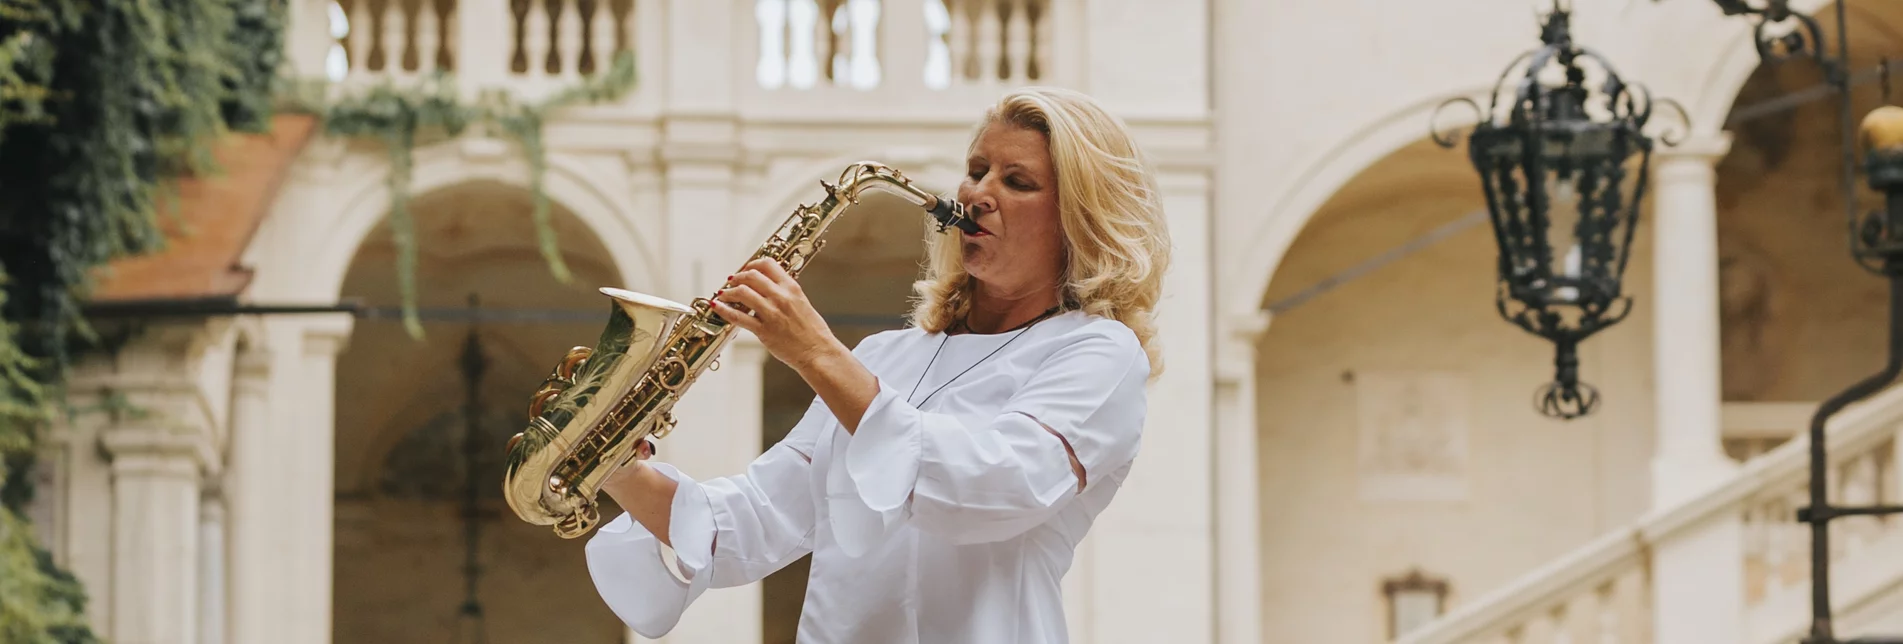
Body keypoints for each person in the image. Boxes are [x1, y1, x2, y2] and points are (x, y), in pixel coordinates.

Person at [583, 86, 1171, 643]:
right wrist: (605, 459)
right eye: (975, 170)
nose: (977, 194)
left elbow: (994, 488)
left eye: (1016, 181)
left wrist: (816, 354)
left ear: (1080, 218)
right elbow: (752, 523)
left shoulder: (1098, 352)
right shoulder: (884, 357)